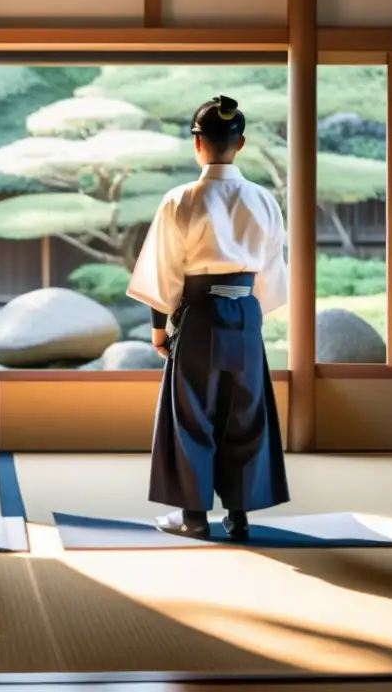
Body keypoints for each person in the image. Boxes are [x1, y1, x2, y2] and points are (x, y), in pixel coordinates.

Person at [127, 95, 289, 543]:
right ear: (240, 143)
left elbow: (162, 270)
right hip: (245, 313)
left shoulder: (180, 199)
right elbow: (272, 271)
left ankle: (193, 515)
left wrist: (160, 329)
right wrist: (248, 314)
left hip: (198, 314)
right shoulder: (264, 200)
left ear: (197, 143)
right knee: (246, 412)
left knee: (192, 413)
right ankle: (239, 516)